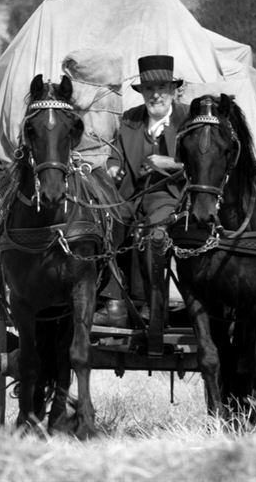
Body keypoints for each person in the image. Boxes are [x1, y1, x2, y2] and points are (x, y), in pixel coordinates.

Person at [101, 54, 189, 321]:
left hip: (172, 195)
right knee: (107, 222)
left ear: (173, 91)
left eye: (162, 88)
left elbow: (204, 161)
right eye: (149, 89)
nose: (156, 96)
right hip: (131, 194)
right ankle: (113, 302)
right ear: (142, 93)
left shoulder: (188, 118)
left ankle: (153, 303)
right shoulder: (131, 119)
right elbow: (115, 153)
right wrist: (113, 166)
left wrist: (172, 163)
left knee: (154, 231)